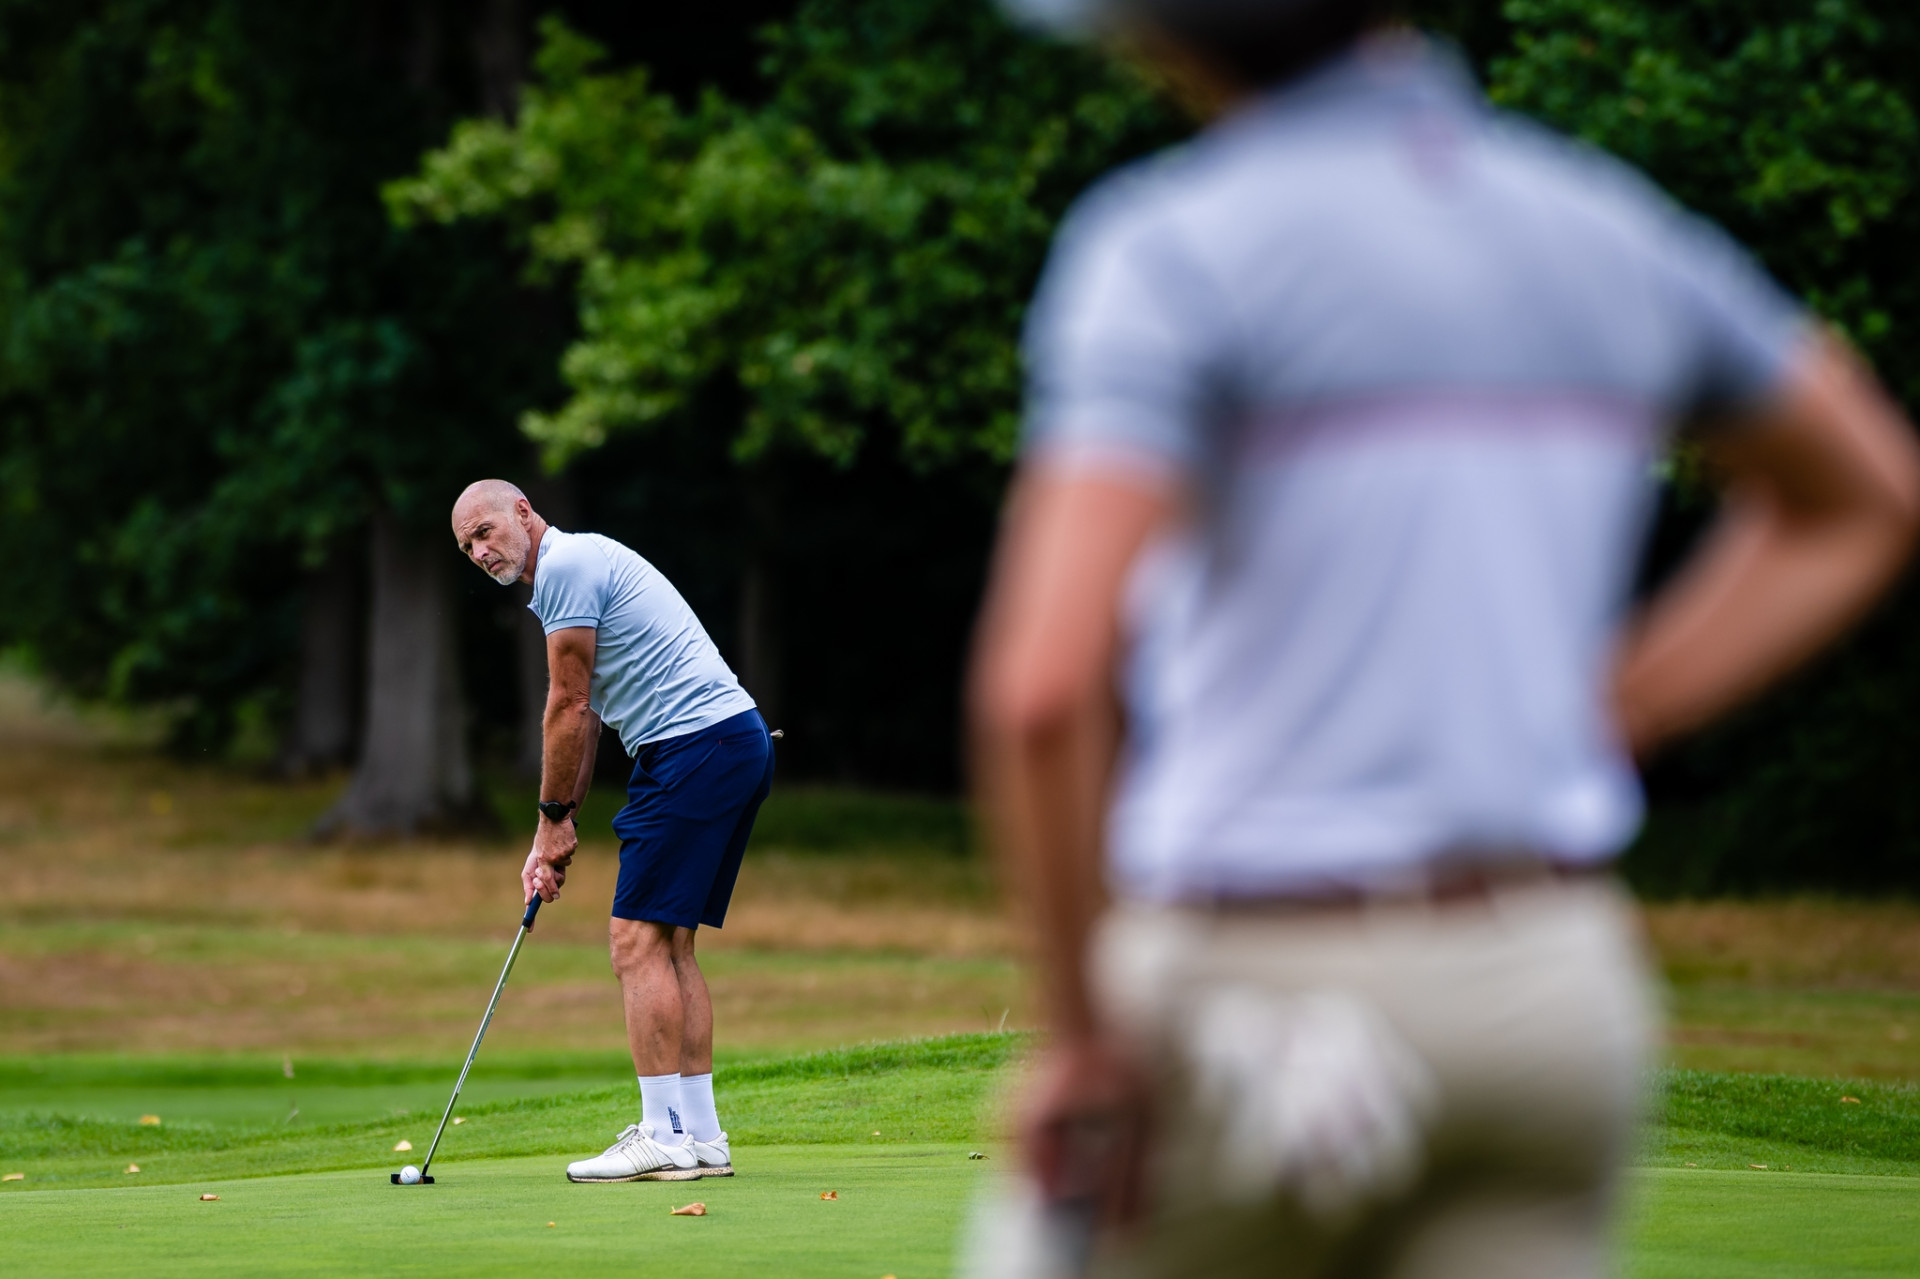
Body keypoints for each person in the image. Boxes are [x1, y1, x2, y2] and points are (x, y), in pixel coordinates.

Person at [967, 2, 1920, 1275]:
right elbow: (1867, 495)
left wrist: (1085, 1038)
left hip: (1259, 982)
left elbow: (1043, 688)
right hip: (1544, 984)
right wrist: (1617, 708)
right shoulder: (1602, 226)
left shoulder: (1168, 246)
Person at [450, 479, 775, 1183]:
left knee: (634, 941)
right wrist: (559, 824)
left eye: (485, 531)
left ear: (523, 513)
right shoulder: (575, 571)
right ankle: (701, 1134)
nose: (479, 551)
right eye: (467, 545)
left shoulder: (565, 567)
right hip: (730, 741)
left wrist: (549, 824)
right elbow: (591, 715)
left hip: (694, 747)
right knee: (671, 943)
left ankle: (662, 1134)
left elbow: (566, 705)